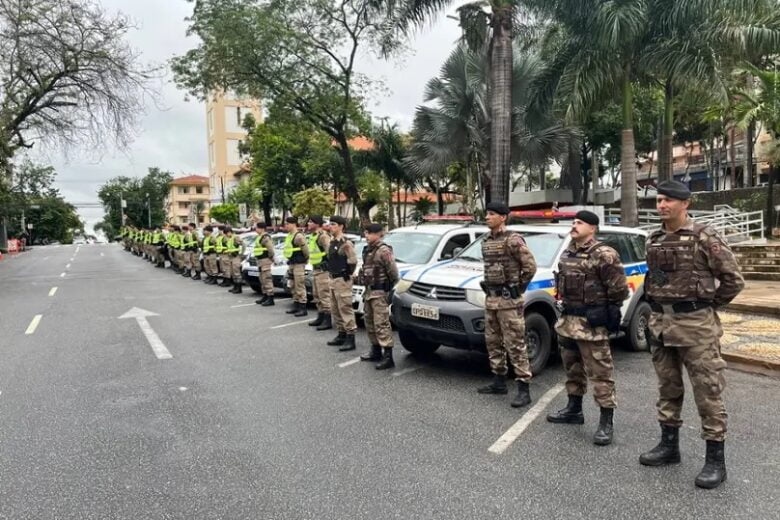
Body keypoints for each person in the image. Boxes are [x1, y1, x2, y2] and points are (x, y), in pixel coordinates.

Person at [639, 180, 744, 490]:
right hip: (662, 326)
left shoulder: (703, 236)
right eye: (658, 200)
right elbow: (655, 278)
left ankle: (715, 461)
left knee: (707, 392)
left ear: (686, 204)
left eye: (669, 200)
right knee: (668, 389)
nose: (661, 205)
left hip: (697, 328)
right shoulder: (654, 238)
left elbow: (733, 280)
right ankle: (669, 446)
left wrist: (704, 306)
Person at [547, 210, 629, 446]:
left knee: (601, 374)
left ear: (592, 228)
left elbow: (619, 289)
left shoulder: (604, 254)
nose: (574, 225)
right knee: (572, 369)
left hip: (592, 325)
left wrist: (605, 310)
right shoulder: (568, 252)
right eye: (573, 222)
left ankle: (606, 422)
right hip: (568, 322)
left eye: (579, 222)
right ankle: (574, 410)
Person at [478, 202, 537, 408]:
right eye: (487, 213)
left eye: (492, 214)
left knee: (515, 344)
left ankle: (523, 388)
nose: (487, 217)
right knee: (493, 342)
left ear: (503, 217)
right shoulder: (485, 241)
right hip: (491, 300)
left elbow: (530, 266)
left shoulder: (513, 240)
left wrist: (517, 288)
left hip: (509, 302)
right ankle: (499, 381)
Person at [358, 223, 399, 370]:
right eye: (365, 233)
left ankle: (388, 356)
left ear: (378, 234)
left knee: (381, 323)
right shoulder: (368, 250)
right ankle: (375, 350)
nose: (366, 236)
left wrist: (389, 290)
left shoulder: (383, 250)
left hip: (380, 293)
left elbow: (393, 273)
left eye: (369, 233)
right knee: (369, 322)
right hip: (369, 292)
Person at [326, 215, 359, 349]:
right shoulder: (332, 242)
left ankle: (350, 337)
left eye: (333, 224)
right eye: (330, 224)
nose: (330, 227)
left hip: (342, 279)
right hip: (332, 278)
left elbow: (353, 260)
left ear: (341, 226)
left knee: (345, 308)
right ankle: (341, 334)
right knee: (335, 308)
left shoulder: (346, 243)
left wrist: (347, 273)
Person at [306, 215, 333, 329]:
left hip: (323, 270)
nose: (308, 224)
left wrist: (328, 263)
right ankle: (320, 316)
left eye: (311, 222)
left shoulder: (323, 236)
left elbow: (329, 251)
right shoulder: (313, 236)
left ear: (317, 224)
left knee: (324, 295)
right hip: (315, 269)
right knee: (317, 295)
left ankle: (327, 320)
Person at [283, 216, 310, 317]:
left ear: (293, 224)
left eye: (287, 224)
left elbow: (306, 251)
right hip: (292, 262)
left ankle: (302, 307)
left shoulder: (298, 236)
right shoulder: (289, 235)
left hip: (299, 263)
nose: (286, 226)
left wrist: (306, 259)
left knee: (299, 285)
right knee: (292, 285)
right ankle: (296, 305)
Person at [253, 222, 276, 306]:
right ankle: (265, 295)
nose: (255, 229)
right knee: (262, 279)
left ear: (261, 228)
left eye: (257, 228)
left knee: (267, 279)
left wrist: (270, 257)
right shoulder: (259, 237)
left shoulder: (265, 237)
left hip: (265, 260)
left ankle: (270, 297)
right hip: (260, 260)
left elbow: (270, 250)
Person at [223, 226, 245, 293]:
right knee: (233, 272)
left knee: (236, 273)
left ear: (229, 232)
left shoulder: (236, 237)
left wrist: (241, 254)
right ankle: (235, 286)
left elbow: (243, 245)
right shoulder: (229, 238)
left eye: (226, 233)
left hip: (236, 256)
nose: (226, 235)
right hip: (231, 256)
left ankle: (239, 288)